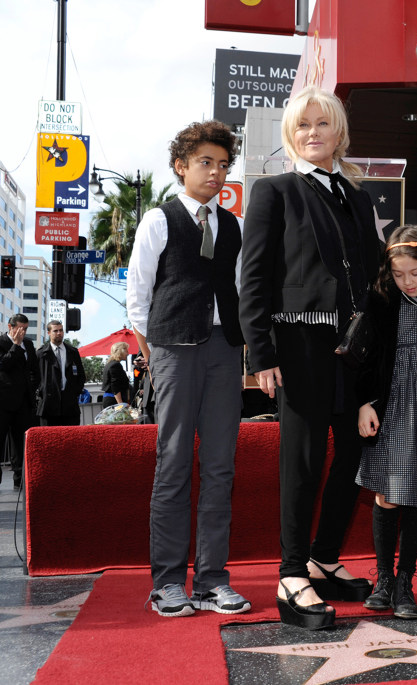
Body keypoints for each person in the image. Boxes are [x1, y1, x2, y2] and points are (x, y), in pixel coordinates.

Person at [239, 86, 380, 630]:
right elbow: (253, 279)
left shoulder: (358, 197)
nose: (314, 133)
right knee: (302, 458)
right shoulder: (274, 191)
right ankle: (291, 572)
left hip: (354, 347)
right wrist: (262, 351)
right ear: (291, 135)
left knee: (352, 453)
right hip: (298, 344)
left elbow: (369, 280)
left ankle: (322, 557)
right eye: (303, 126)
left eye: (323, 124)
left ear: (339, 133)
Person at [126, 120, 250, 618]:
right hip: (173, 348)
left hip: (224, 349)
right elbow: (138, 298)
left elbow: (238, 290)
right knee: (173, 462)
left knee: (220, 467)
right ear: (181, 166)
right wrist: (156, 356)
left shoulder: (232, 225)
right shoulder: (159, 220)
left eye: (223, 164)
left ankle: (212, 580)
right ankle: (167, 582)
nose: (216, 173)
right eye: (206, 162)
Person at [356, 225, 417, 620]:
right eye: (398, 274)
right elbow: (364, 352)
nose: (407, 281)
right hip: (390, 400)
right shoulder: (380, 300)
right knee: (388, 493)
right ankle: (382, 578)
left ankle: (405, 580)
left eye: (415, 273)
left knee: (414, 492)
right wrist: (364, 402)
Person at [0, 314, 40, 489]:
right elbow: (3, 365)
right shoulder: (1, 342)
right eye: (20, 328)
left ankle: (20, 480)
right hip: (3, 402)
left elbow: (33, 370)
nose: (22, 332)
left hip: (24, 402)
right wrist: (16, 346)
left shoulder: (29, 344)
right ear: (10, 327)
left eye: (25, 328)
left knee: (21, 444)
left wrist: (31, 387)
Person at [36, 320, 85, 427]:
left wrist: (74, 391)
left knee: (71, 438)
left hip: (70, 405)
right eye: (56, 331)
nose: (59, 333)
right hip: (48, 406)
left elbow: (81, 375)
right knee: (50, 440)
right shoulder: (41, 353)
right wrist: (42, 391)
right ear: (49, 333)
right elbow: (35, 377)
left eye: (61, 330)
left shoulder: (73, 352)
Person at [100, 342, 131, 408]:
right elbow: (115, 387)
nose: (128, 354)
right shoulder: (115, 365)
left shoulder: (109, 364)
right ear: (121, 351)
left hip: (110, 400)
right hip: (114, 401)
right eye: (126, 351)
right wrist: (120, 404)